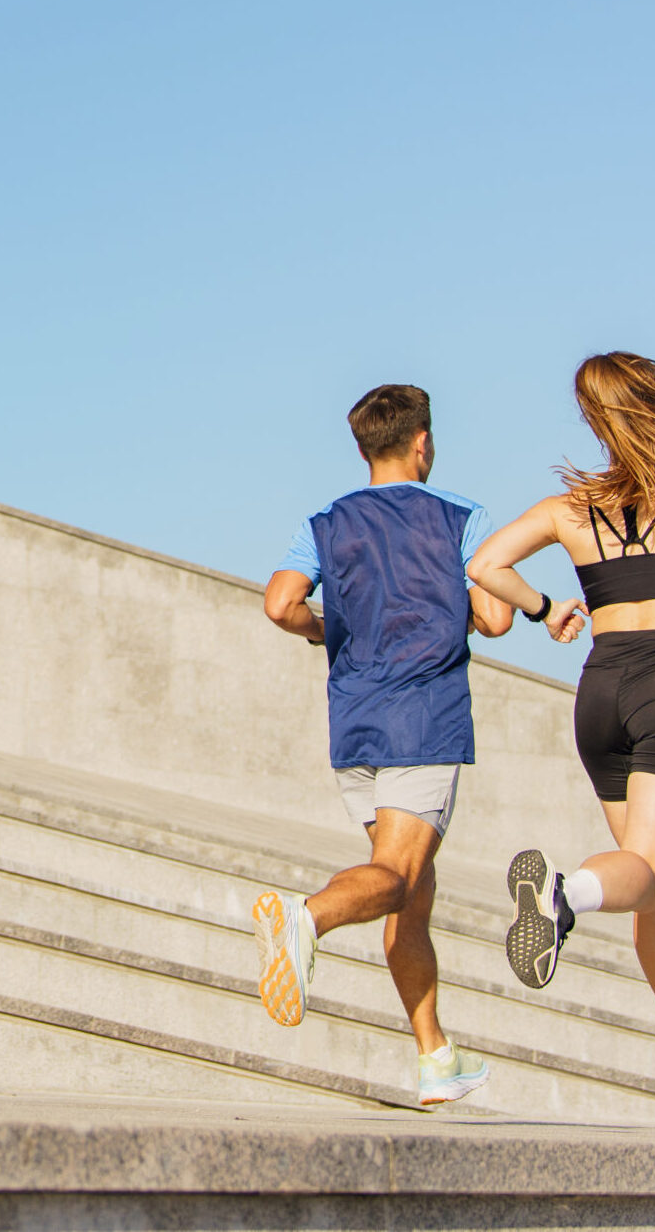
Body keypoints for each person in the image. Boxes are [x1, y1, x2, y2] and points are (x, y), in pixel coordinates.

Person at [466, 351, 655, 1114]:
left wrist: (547, 610)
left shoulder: (567, 511)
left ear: (596, 424)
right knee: (644, 866)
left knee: (653, 888)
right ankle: (563, 892)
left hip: (600, 691)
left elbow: (484, 563)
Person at [257, 383, 521, 1107]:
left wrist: (327, 630)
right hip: (422, 715)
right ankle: (303, 918)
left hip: (353, 723)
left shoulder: (325, 521)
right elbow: (495, 616)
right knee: (399, 877)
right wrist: (452, 607)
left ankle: (434, 1054)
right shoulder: (460, 516)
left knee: (413, 889)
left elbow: (280, 602)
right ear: (422, 442)